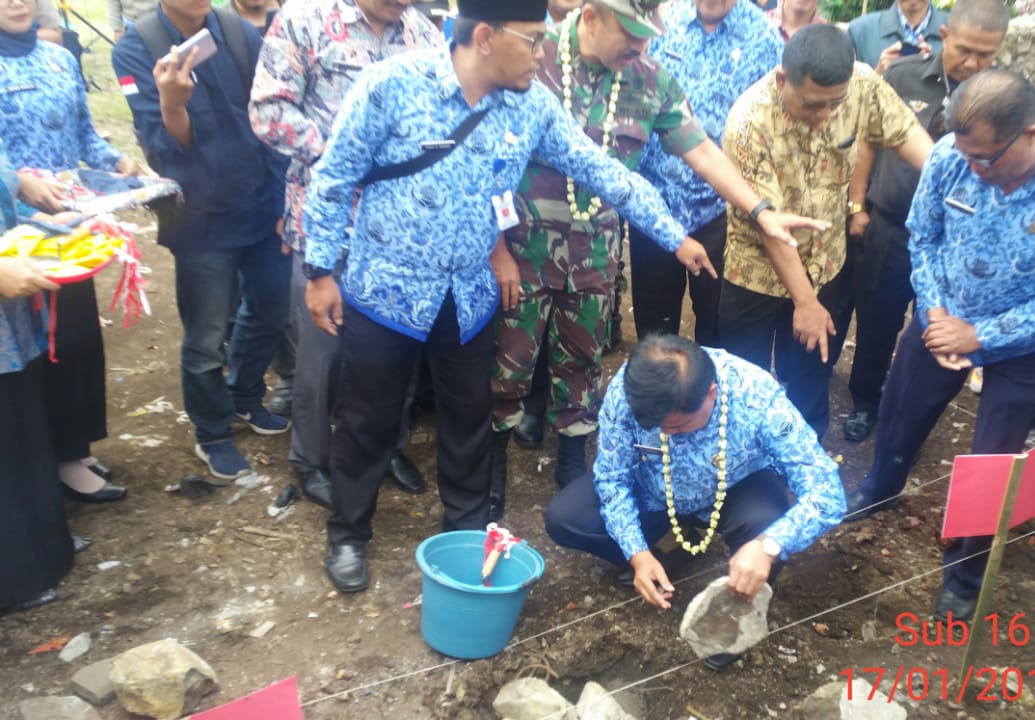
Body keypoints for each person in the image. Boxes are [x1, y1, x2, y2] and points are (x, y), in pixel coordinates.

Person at [303, 0, 717, 594]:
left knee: (468, 416)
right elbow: (333, 177)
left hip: (467, 293)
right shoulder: (391, 86)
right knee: (368, 415)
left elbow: (605, 172)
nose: (544, 51)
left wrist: (673, 236)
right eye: (532, 39)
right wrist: (320, 270)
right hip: (386, 288)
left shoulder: (532, 106)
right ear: (486, 36)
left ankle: (468, 528)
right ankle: (347, 532)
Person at [490, 0, 826, 503]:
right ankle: (490, 472)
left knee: (583, 358)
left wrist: (759, 211)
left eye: (648, 35)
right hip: (521, 250)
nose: (642, 46)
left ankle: (570, 464)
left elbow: (703, 150)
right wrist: (496, 250)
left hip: (595, 253)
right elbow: (487, 161)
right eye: (631, 33)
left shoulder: (648, 79)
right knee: (508, 360)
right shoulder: (529, 62)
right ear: (592, 18)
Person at [851, 69, 1035, 622]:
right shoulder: (953, 155)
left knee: (994, 458)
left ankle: (966, 571)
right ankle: (880, 488)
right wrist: (936, 314)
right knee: (900, 414)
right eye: (967, 155)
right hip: (942, 321)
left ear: (1030, 129)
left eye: (987, 159)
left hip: (1029, 344)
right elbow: (923, 239)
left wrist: (982, 336)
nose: (973, 168)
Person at [543, 334, 846, 670]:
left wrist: (770, 545)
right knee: (566, 518)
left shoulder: (756, 395)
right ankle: (665, 553)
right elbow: (613, 478)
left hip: (738, 486)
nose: (668, 433)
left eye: (680, 425)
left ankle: (729, 623)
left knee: (766, 525)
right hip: (657, 490)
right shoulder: (631, 392)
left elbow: (827, 491)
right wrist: (637, 553)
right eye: (658, 427)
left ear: (711, 394)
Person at [249, 0, 442, 511]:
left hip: (402, 231)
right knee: (324, 351)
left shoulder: (424, 34)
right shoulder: (304, 20)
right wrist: (343, 147)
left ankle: (387, 446)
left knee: (397, 345)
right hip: (328, 224)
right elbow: (268, 111)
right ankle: (312, 458)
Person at [718, 24, 932, 436]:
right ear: (783, 80)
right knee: (744, 381)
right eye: (813, 104)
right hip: (756, 275)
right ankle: (746, 470)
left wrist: (960, 181)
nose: (826, 117)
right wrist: (806, 303)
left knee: (811, 378)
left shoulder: (864, 84)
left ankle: (804, 462)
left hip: (825, 265)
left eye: (836, 104)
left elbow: (910, 137)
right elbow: (770, 229)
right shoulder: (748, 121)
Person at [113, 0, 293, 480]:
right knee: (207, 334)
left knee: (271, 309)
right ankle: (212, 431)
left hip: (261, 203)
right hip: (200, 218)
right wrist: (173, 102)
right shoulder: (138, 48)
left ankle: (244, 396)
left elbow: (273, 119)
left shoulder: (237, 32)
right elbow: (165, 150)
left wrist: (282, 201)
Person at [841, 0, 1010, 445]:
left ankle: (908, 414)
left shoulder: (1004, 96)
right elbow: (867, 144)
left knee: (936, 329)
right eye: (967, 50)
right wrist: (857, 205)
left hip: (959, 241)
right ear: (946, 34)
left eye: (986, 55)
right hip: (893, 225)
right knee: (877, 318)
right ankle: (865, 401)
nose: (974, 63)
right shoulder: (901, 76)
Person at [0, 0, 144, 503]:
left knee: (76, 337)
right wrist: (18, 185)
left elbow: (85, 134)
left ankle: (72, 449)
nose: (17, 3)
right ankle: (46, 463)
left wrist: (120, 160)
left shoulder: (58, 58)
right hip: (13, 236)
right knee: (32, 348)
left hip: (70, 224)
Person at [631, 0, 782, 347]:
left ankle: (709, 394)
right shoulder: (661, 24)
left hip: (723, 206)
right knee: (655, 322)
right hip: (656, 199)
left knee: (718, 322)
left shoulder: (763, 36)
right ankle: (657, 395)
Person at [0, 139, 92, 611]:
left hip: (11, 321)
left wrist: (38, 227)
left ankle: (43, 552)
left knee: (23, 430)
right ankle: (15, 577)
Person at [845, 0, 947, 76]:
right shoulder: (860, 31)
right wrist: (878, 75)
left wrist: (934, 69)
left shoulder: (956, 29)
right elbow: (844, 96)